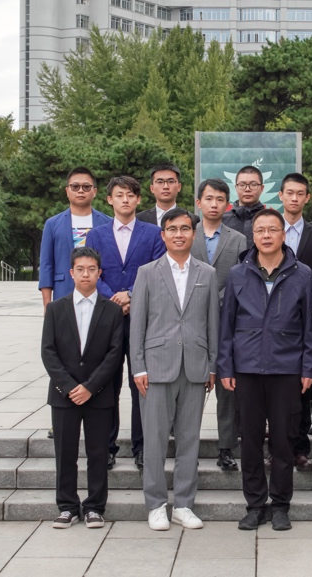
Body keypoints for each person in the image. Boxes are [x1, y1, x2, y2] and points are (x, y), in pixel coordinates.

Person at [218, 208, 312, 531]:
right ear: (253, 236)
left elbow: (310, 326)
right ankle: (254, 505)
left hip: (286, 369)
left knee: (283, 441)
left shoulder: (302, 274)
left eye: (272, 230)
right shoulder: (238, 273)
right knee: (249, 441)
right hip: (246, 369)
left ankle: (280, 505)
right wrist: (226, 366)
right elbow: (226, 325)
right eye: (260, 230)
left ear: (283, 234)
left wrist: (309, 366)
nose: (265, 235)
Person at [129, 209, 219, 531]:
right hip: (155, 368)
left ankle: (183, 504)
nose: (179, 234)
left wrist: (212, 365)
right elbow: (137, 323)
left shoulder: (207, 273)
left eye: (185, 229)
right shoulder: (147, 272)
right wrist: (138, 366)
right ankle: (155, 505)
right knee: (154, 439)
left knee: (189, 439)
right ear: (163, 234)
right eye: (172, 229)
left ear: (194, 234)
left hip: (195, 367)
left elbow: (212, 322)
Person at [86, 176, 167, 470]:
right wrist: (113, 298)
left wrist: (131, 294)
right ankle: (106, 447)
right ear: (109, 199)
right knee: (107, 384)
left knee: (141, 384)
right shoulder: (96, 235)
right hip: (106, 319)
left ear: (138, 199)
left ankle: (142, 447)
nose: (125, 200)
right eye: (119, 195)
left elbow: (158, 270)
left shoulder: (153, 233)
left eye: (130, 195)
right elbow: (91, 271)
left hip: (141, 318)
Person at [41, 247, 126, 529]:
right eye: (80, 269)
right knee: (65, 453)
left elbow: (114, 354)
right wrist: (69, 386)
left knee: (98, 453)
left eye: (91, 269)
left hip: (99, 395)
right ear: (71, 273)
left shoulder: (112, 310)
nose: (86, 274)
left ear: (99, 273)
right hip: (64, 395)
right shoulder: (56, 309)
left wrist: (90, 387)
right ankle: (67, 507)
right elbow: (48, 352)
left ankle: (94, 507)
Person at [190, 178, 248, 472]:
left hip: (228, 322)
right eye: (209, 199)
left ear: (228, 205)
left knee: (228, 387)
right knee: (191, 387)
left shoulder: (238, 239)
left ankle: (226, 447)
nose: (214, 204)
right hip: (191, 321)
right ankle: (187, 446)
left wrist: (217, 299)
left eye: (220, 200)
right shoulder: (187, 234)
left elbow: (241, 278)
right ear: (198, 202)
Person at [280, 173, 312, 468]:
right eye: (290, 193)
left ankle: (301, 449)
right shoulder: (269, 228)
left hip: (304, 318)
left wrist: (300, 295)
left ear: (306, 198)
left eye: (300, 193)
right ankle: (276, 449)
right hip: (272, 319)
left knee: (301, 387)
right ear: (281, 196)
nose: (294, 198)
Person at [39, 167, 112, 306]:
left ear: (94, 191)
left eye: (86, 187)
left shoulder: (108, 222)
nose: (80, 191)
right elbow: (46, 266)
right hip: (64, 292)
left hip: (100, 295)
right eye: (75, 186)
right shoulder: (52, 224)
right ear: (67, 191)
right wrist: (47, 305)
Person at [222, 165, 267, 239]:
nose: (247, 189)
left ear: (262, 188)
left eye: (253, 185)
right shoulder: (223, 220)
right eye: (242, 185)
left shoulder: (270, 219)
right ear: (236, 187)